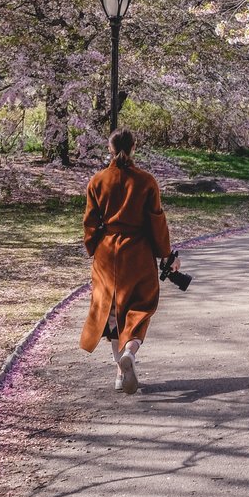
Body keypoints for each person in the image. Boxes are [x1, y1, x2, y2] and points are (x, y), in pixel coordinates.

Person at [80, 128, 179, 394]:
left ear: (109, 149)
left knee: (112, 312)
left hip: (106, 254)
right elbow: (156, 221)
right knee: (139, 308)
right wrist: (167, 255)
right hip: (138, 253)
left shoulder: (98, 180)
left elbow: (90, 224)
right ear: (134, 147)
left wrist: (96, 246)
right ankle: (131, 354)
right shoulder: (146, 181)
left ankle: (118, 373)